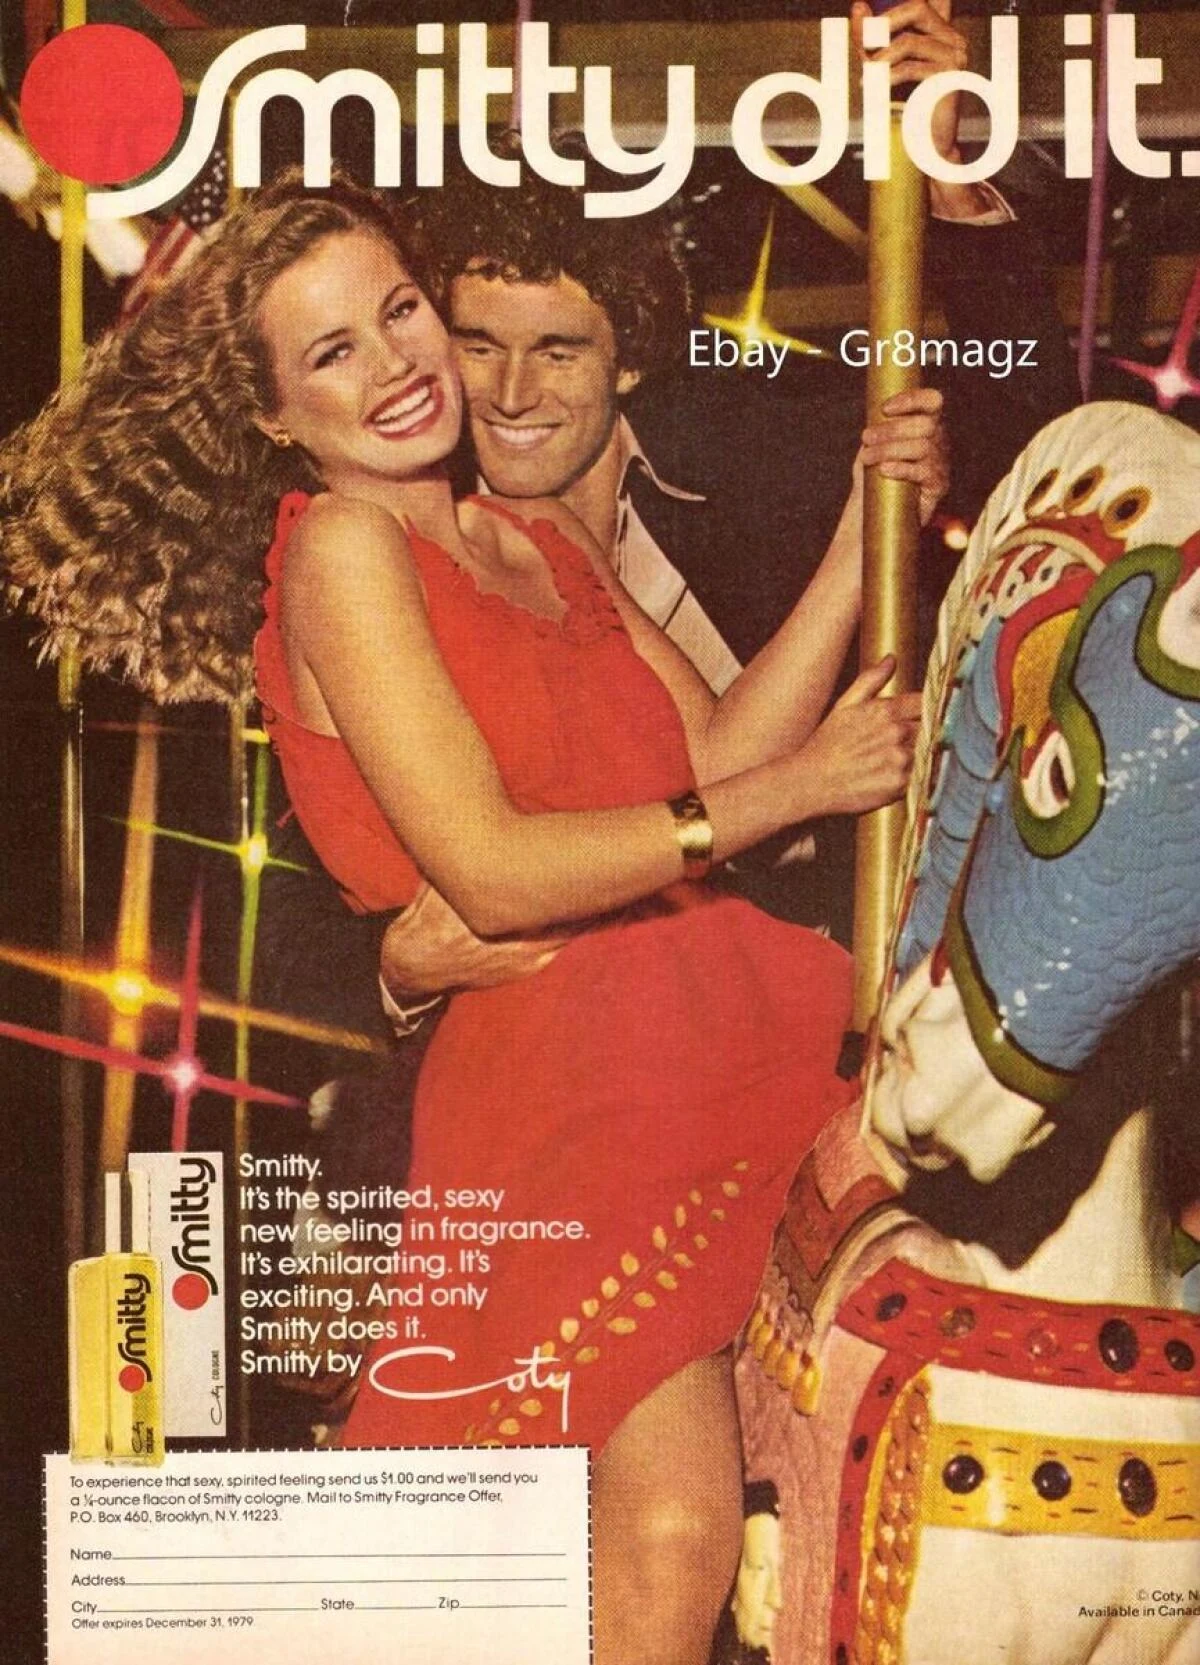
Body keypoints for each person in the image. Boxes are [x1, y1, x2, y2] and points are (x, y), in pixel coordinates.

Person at [0, 173, 921, 1665]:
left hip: (704, 1044)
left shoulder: (536, 536)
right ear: (274, 416)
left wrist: (869, 535)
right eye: (333, 352)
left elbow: (714, 756)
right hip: (571, 1090)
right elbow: (490, 869)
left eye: (399, 311)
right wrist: (798, 789)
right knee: (668, 1539)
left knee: (712, 1526)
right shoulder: (341, 552)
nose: (397, 364)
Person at [258, 0, 1076, 1042]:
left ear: (629, 360)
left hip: (826, 982)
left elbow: (1037, 438)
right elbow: (266, 883)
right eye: (476, 344)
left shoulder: (768, 459)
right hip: (529, 1035)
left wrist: (946, 170)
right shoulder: (358, 541)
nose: (510, 393)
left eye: (558, 351)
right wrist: (393, 969)